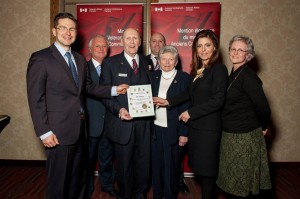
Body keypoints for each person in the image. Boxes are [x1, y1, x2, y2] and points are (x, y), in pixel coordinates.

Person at [26, 12, 127, 199]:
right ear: (54, 30)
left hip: (81, 130)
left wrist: (114, 90)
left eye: (72, 29)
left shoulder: (79, 60)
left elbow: (88, 87)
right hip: (57, 132)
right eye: (63, 28)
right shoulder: (41, 58)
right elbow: (35, 98)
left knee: (78, 180)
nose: (68, 32)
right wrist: (44, 131)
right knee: (59, 182)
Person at [153, 29, 228, 199]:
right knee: (202, 172)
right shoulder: (199, 70)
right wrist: (168, 101)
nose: (203, 49)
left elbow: (218, 101)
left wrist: (190, 112)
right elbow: (188, 94)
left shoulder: (219, 69)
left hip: (209, 130)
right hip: (198, 129)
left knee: (208, 173)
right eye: (199, 46)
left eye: (207, 45)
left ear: (215, 47)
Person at [216, 35, 272, 198]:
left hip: (245, 137)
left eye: (240, 50)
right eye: (233, 49)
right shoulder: (232, 74)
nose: (235, 52)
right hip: (230, 135)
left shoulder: (249, 76)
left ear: (248, 54)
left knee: (243, 184)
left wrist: (264, 126)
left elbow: (264, 108)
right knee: (233, 183)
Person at [100, 28, 152, 199]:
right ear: (121, 42)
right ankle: (125, 194)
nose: (131, 42)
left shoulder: (147, 62)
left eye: (135, 38)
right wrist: (118, 110)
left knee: (143, 164)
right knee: (123, 166)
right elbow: (105, 94)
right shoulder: (110, 63)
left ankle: (140, 194)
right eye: (128, 38)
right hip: (122, 124)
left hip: (144, 126)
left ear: (140, 41)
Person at [151, 45, 189, 199]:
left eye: (171, 59)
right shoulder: (153, 76)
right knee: (156, 165)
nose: (167, 62)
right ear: (159, 61)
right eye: (164, 59)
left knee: (171, 167)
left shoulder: (184, 78)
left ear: (176, 61)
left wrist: (184, 133)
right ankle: (157, 194)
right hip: (154, 129)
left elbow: (187, 105)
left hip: (173, 129)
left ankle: (170, 194)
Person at [84, 35, 119, 198]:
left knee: (107, 158)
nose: (101, 49)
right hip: (91, 123)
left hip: (110, 121)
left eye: (104, 46)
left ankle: (107, 185)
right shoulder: (83, 67)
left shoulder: (112, 67)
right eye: (97, 46)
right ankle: (87, 187)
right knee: (88, 161)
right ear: (90, 49)